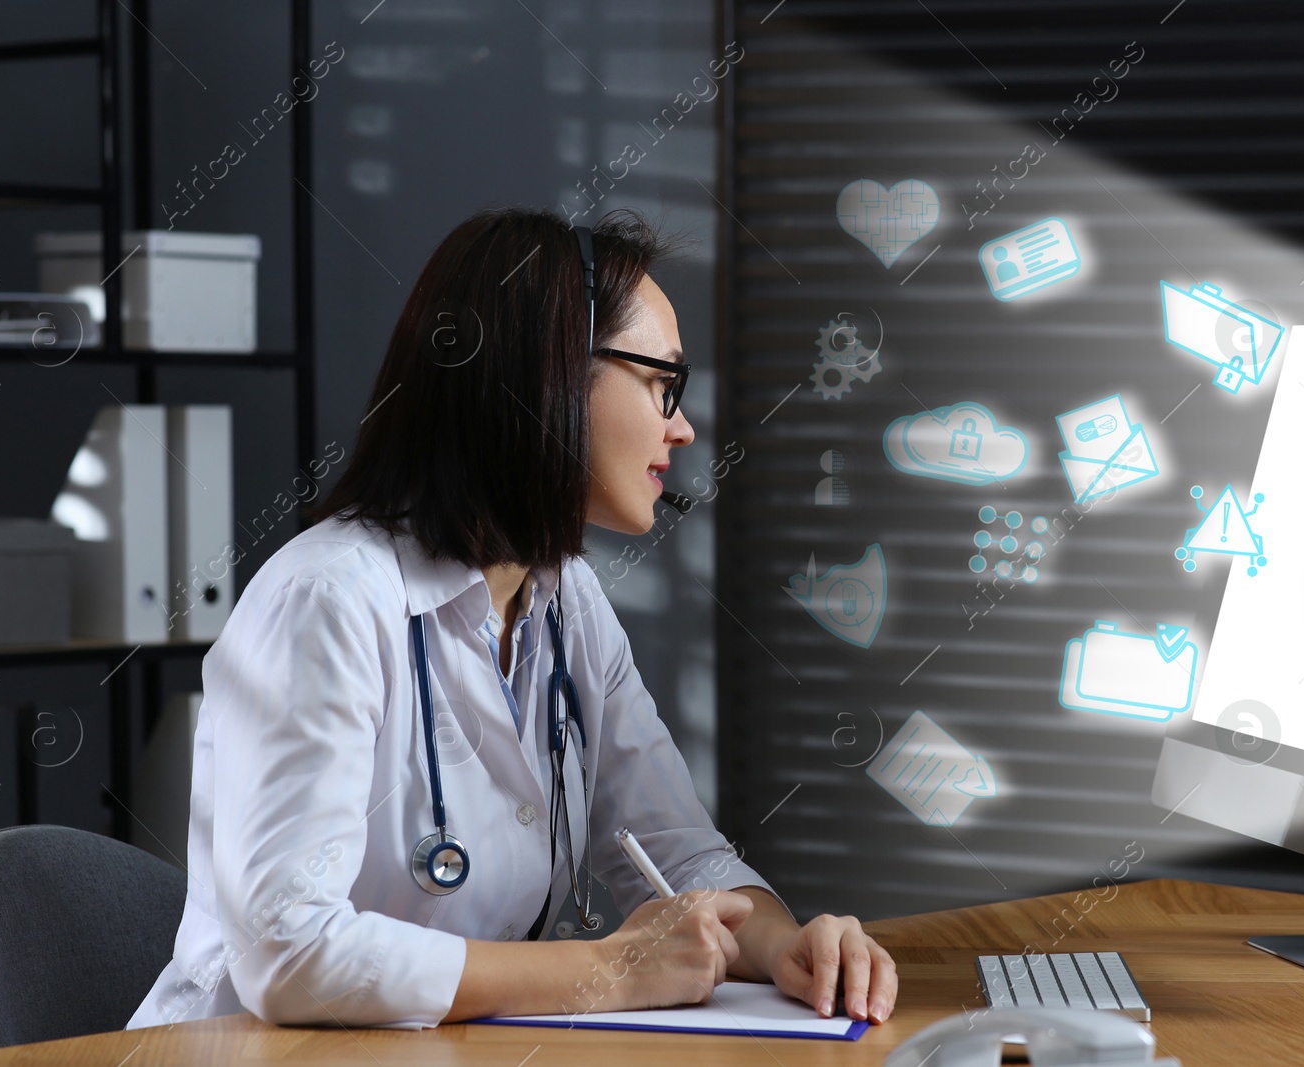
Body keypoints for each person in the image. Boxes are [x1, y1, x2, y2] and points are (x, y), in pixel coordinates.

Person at [126, 206, 899, 1032]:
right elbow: (291, 956)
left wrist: (784, 943)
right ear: (554, 373)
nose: (683, 424)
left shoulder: (568, 599)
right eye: (661, 383)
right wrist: (606, 969)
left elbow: (675, 853)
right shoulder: (326, 601)